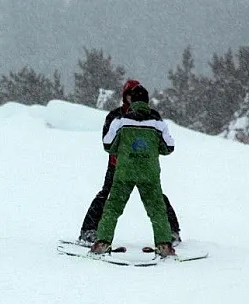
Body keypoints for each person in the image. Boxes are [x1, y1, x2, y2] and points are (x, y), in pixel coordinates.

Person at [78, 79, 181, 246]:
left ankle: (172, 231)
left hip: (129, 166)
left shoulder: (143, 116)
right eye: (129, 95)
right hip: (119, 165)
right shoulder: (116, 116)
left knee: (146, 200)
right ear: (125, 96)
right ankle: (89, 230)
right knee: (109, 195)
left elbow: (109, 143)